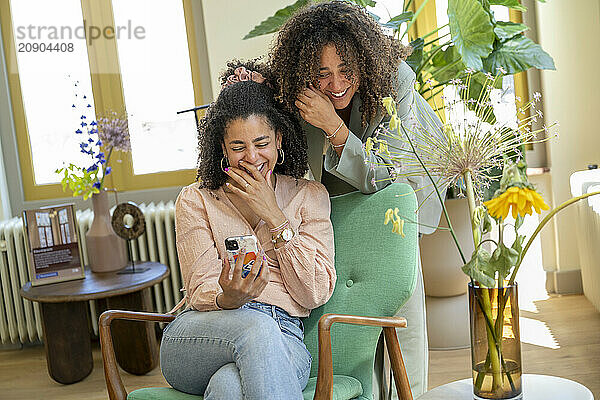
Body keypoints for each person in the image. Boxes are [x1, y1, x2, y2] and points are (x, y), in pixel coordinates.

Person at [269, 2, 445, 397]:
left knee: (404, 312)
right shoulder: (296, 90)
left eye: (346, 71)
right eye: (322, 74)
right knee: (354, 316)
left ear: (364, 61)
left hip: (400, 193)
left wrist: (332, 124)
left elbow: (385, 173)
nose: (335, 85)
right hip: (343, 205)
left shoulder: (394, 81)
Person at [160, 62, 336, 400]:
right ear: (222, 149)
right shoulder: (197, 200)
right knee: (255, 328)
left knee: (228, 386)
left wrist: (273, 214)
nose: (251, 157)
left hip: (284, 337)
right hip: (201, 333)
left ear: (279, 138)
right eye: (238, 147)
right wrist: (229, 298)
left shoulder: (308, 196)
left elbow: (314, 292)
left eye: (261, 143)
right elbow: (199, 290)